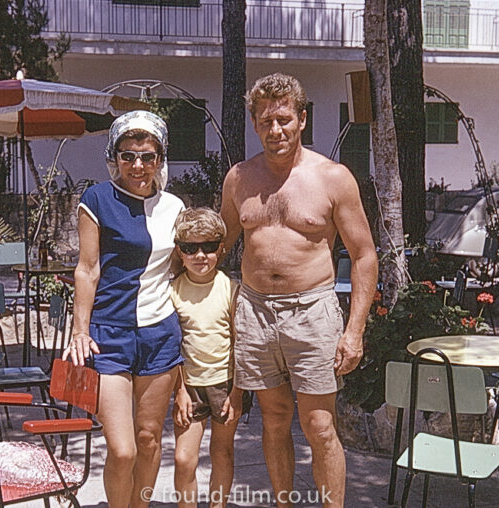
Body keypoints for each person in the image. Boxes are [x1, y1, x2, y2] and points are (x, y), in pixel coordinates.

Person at [220, 73, 378, 507]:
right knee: (273, 421)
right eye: (266, 121)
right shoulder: (238, 179)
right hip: (254, 311)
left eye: (285, 119)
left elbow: (364, 256)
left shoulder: (334, 178)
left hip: (312, 311)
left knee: (320, 425)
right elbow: (218, 248)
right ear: (255, 123)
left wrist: (355, 330)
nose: (276, 131)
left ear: (302, 119)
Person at [64, 110, 185, 507]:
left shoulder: (174, 207)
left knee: (149, 441)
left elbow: (184, 267)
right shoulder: (97, 199)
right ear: (114, 156)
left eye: (147, 156)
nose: (137, 165)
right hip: (109, 336)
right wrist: (80, 330)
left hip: (159, 335)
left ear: (160, 159)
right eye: (128, 155)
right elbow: (87, 268)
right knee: (123, 450)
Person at [169, 207, 250, 508]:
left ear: (221, 248)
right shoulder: (172, 291)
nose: (200, 255)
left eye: (209, 247)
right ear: (180, 250)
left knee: (222, 451)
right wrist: (179, 391)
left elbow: (242, 343)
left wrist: (238, 392)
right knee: (183, 458)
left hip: (225, 384)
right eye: (191, 248)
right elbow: (172, 345)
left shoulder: (231, 289)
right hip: (188, 387)